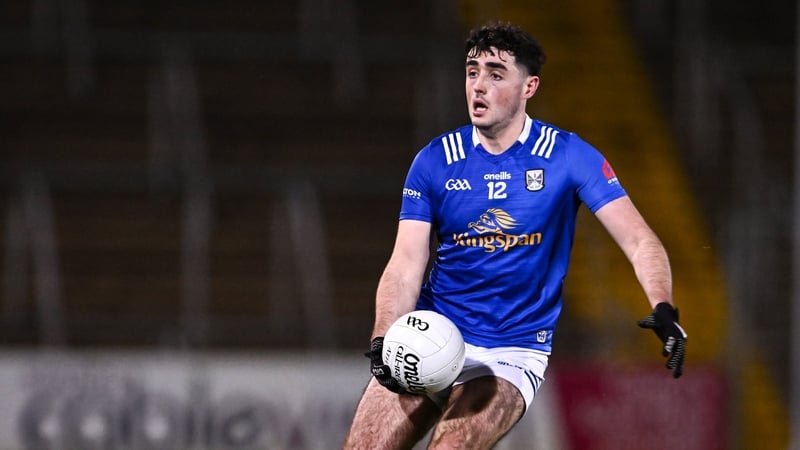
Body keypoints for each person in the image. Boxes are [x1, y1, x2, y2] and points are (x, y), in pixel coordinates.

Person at [342, 21, 687, 449]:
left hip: (510, 351)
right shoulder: (435, 161)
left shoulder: (568, 156)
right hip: (430, 333)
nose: (478, 86)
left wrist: (663, 304)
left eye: (495, 73)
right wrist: (383, 336)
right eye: (472, 72)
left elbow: (640, 240)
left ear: (529, 86)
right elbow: (407, 261)